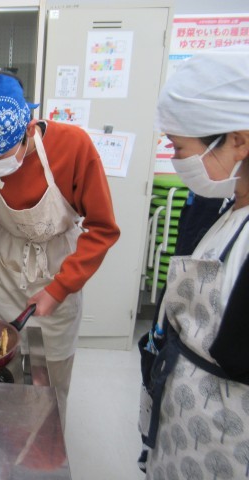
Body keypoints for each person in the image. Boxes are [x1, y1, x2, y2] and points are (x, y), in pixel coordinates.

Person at [0, 73, 120, 422]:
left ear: (28, 128)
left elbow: (102, 229)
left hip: (59, 266)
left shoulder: (73, 147)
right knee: (2, 364)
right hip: (6, 267)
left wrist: (60, 288)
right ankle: (6, 433)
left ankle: (46, 442)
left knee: (49, 375)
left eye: (0, 156)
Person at [138, 46, 249, 478]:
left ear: (238, 141)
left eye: (180, 147)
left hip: (225, 435)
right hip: (183, 417)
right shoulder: (225, 203)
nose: (175, 158)